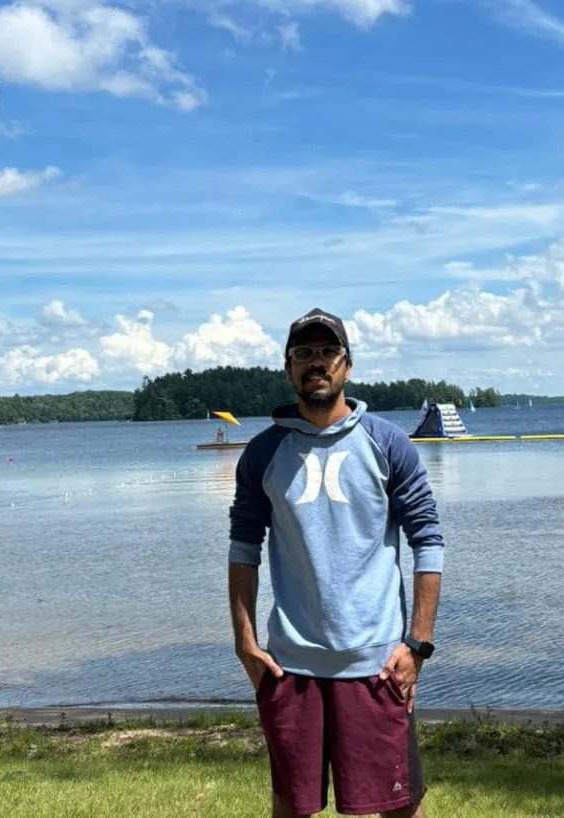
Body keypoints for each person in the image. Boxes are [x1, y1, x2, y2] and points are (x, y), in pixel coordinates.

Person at [229, 307, 445, 818]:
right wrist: (245, 643)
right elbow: (243, 549)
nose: (316, 362)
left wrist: (417, 644)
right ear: (288, 369)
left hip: (375, 665)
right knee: (291, 806)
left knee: (398, 807)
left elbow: (428, 542)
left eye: (328, 352)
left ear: (347, 366)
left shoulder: (387, 443)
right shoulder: (263, 454)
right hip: (290, 666)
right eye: (303, 353)